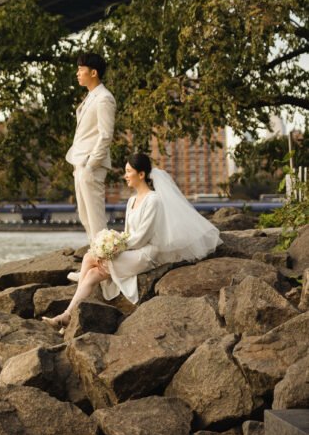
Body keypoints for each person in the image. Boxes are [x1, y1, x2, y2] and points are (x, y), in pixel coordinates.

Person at [43, 152, 220, 329]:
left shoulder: (153, 200)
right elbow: (128, 233)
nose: (125, 175)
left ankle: (66, 315)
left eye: (129, 171)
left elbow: (142, 238)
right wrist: (114, 243)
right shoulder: (131, 201)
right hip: (130, 249)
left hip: (145, 253)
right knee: (91, 274)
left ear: (141, 174)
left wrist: (114, 247)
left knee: (90, 258)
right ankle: (66, 317)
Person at [66, 51, 115, 245]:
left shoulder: (104, 98)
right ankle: (95, 255)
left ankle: (104, 258)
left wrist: (90, 164)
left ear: (93, 73)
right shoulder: (91, 97)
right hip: (81, 163)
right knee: (85, 216)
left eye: (81, 69)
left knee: (95, 218)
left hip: (90, 165)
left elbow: (106, 135)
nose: (77, 73)